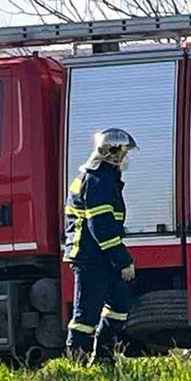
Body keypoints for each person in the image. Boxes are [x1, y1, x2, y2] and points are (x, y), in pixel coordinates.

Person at [64, 128, 137, 365]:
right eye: (124, 152)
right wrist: (123, 260)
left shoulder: (103, 177)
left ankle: (103, 357)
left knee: (119, 305)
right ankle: (77, 364)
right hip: (90, 257)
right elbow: (102, 228)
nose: (126, 158)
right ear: (112, 152)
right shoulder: (98, 180)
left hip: (99, 256)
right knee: (85, 314)